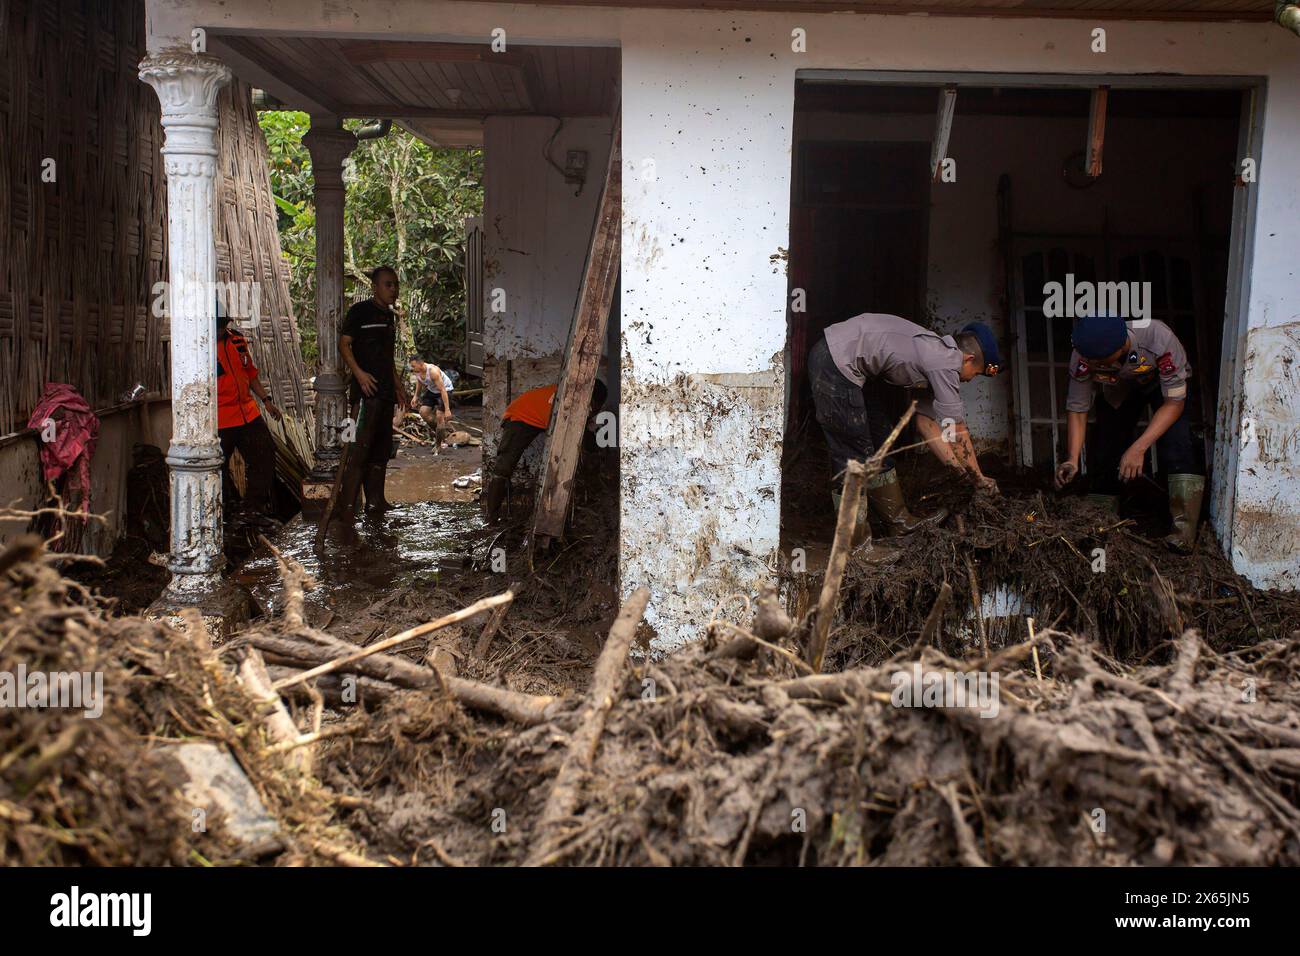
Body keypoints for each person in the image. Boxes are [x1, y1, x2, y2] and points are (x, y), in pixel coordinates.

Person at [809, 313, 1001, 560]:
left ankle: (899, 521)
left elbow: (926, 424)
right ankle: (855, 545)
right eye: (975, 374)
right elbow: (957, 431)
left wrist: (961, 475)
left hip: (853, 368)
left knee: (881, 437)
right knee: (852, 455)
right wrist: (978, 478)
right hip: (834, 361)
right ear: (969, 359)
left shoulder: (937, 357)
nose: (970, 380)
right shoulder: (945, 362)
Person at [1053, 314, 1203, 553]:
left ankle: (1182, 533)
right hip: (1118, 389)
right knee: (1105, 448)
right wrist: (1072, 458)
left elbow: (1174, 403)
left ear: (1122, 346)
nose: (1093, 366)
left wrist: (1138, 447)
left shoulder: (1157, 337)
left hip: (1163, 389)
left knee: (1178, 444)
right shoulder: (1084, 353)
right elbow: (1078, 409)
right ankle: (1100, 524)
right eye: (1090, 362)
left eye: (1100, 362)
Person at [336, 266, 407, 523]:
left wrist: (399, 387)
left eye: (395, 285)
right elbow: (344, 344)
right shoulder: (359, 312)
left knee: (381, 449)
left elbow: (388, 359)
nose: (393, 290)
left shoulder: (389, 317)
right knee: (360, 450)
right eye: (388, 285)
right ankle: (348, 509)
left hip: (386, 391)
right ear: (375, 287)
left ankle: (376, 502)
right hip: (366, 393)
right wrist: (360, 374)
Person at [484, 379, 608, 523]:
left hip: (531, 414)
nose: (593, 413)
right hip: (520, 416)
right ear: (589, 399)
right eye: (594, 408)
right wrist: (597, 449)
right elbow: (581, 436)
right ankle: (491, 517)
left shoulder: (573, 396)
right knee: (504, 468)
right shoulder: (571, 401)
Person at [216, 306, 281, 529]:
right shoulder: (199, 347)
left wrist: (266, 400)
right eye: (218, 325)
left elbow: (249, 373)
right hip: (220, 418)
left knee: (265, 453)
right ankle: (222, 516)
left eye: (224, 324)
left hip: (247, 413)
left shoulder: (237, 340)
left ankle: (252, 509)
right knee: (217, 469)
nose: (221, 329)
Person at [408, 356, 453, 442]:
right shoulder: (417, 371)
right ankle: (443, 430)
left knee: (439, 415)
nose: (412, 368)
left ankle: (439, 443)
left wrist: (447, 409)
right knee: (423, 412)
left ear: (420, 364)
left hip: (445, 390)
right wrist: (416, 396)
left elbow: (442, 390)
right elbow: (419, 381)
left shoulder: (433, 371)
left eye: (413, 366)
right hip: (432, 390)